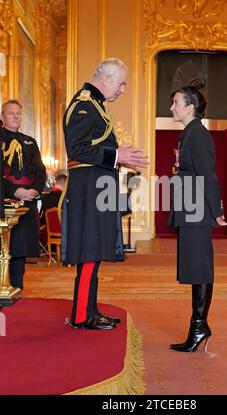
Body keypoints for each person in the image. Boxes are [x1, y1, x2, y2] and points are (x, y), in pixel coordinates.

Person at [62, 58, 148, 330]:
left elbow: (93, 150)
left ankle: (89, 310)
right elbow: (77, 150)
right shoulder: (84, 106)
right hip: (88, 191)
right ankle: (81, 317)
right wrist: (117, 155)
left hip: (96, 188)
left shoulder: (96, 105)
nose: (122, 90)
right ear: (107, 79)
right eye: (121, 83)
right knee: (89, 250)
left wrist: (120, 159)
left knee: (95, 250)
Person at [168, 86, 227, 352]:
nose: (172, 107)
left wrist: (217, 210)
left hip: (197, 210)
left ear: (190, 107)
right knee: (195, 267)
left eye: (176, 102)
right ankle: (198, 326)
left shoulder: (198, 135)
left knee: (200, 268)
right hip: (190, 208)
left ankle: (200, 326)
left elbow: (207, 175)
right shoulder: (189, 133)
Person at [0, 99, 46, 290]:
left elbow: (40, 171)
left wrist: (35, 190)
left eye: (18, 113)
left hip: (26, 203)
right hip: (5, 200)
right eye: (11, 113)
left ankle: (17, 289)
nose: (16, 116)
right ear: (2, 116)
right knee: (4, 249)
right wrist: (15, 191)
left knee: (20, 249)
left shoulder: (30, 141)